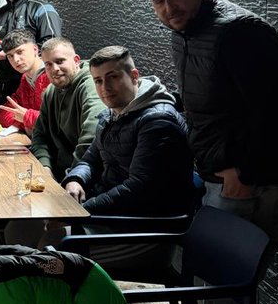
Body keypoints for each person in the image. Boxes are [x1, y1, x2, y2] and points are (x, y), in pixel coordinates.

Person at [143, 0, 278, 240]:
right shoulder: (184, 31)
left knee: (220, 268)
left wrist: (243, 173)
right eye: (158, 1)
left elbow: (277, 112)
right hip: (221, 173)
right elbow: (212, 96)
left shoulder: (241, 32)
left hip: (256, 180)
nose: (169, 8)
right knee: (209, 263)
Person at [63, 45, 193, 218]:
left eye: (113, 77)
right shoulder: (111, 114)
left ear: (134, 76)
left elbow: (139, 189)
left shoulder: (158, 121)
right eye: (98, 81)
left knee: (51, 229)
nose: (105, 87)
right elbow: (90, 160)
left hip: (144, 220)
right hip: (111, 207)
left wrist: (81, 211)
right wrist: (75, 180)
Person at [30, 37, 105, 181]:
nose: (55, 69)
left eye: (60, 61)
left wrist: (71, 178)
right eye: (48, 64)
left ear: (76, 60)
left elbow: (91, 138)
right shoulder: (51, 91)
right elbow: (39, 134)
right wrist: (44, 166)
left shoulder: (91, 85)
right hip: (56, 173)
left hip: (84, 177)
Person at [0, 29, 49, 134]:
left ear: (35, 49)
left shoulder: (53, 76)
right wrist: (27, 123)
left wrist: (26, 117)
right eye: (10, 56)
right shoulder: (25, 78)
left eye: (20, 52)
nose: (16, 60)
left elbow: (58, 121)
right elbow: (4, 114)